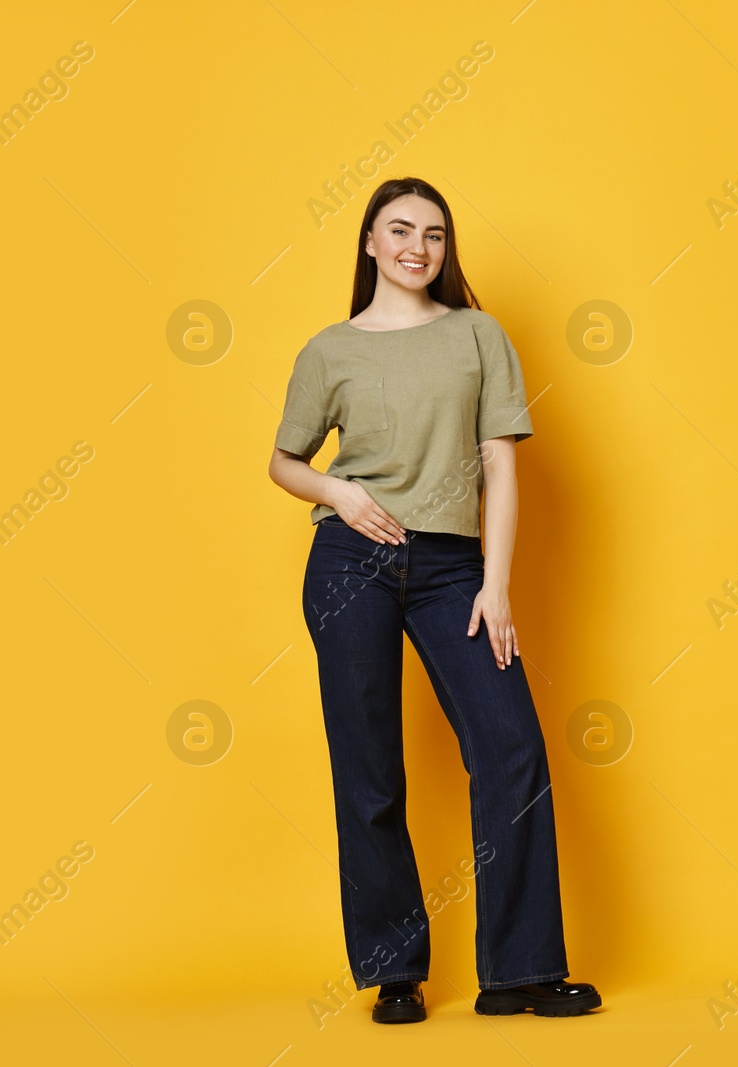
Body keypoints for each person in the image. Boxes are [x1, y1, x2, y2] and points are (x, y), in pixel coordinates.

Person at [266, 176, 600, 1024]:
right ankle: (395, 972)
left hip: (455, 566)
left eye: (436, 234)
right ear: (370, 244)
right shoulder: (329, 351)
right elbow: (283, 461)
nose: (419, 246)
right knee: (369, 768)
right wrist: (338, 496)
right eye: (401, 230)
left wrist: (496, 583)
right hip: (351, 561)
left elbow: (499, 464)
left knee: (511, 748)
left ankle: (519, 971)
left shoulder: (478, 335)